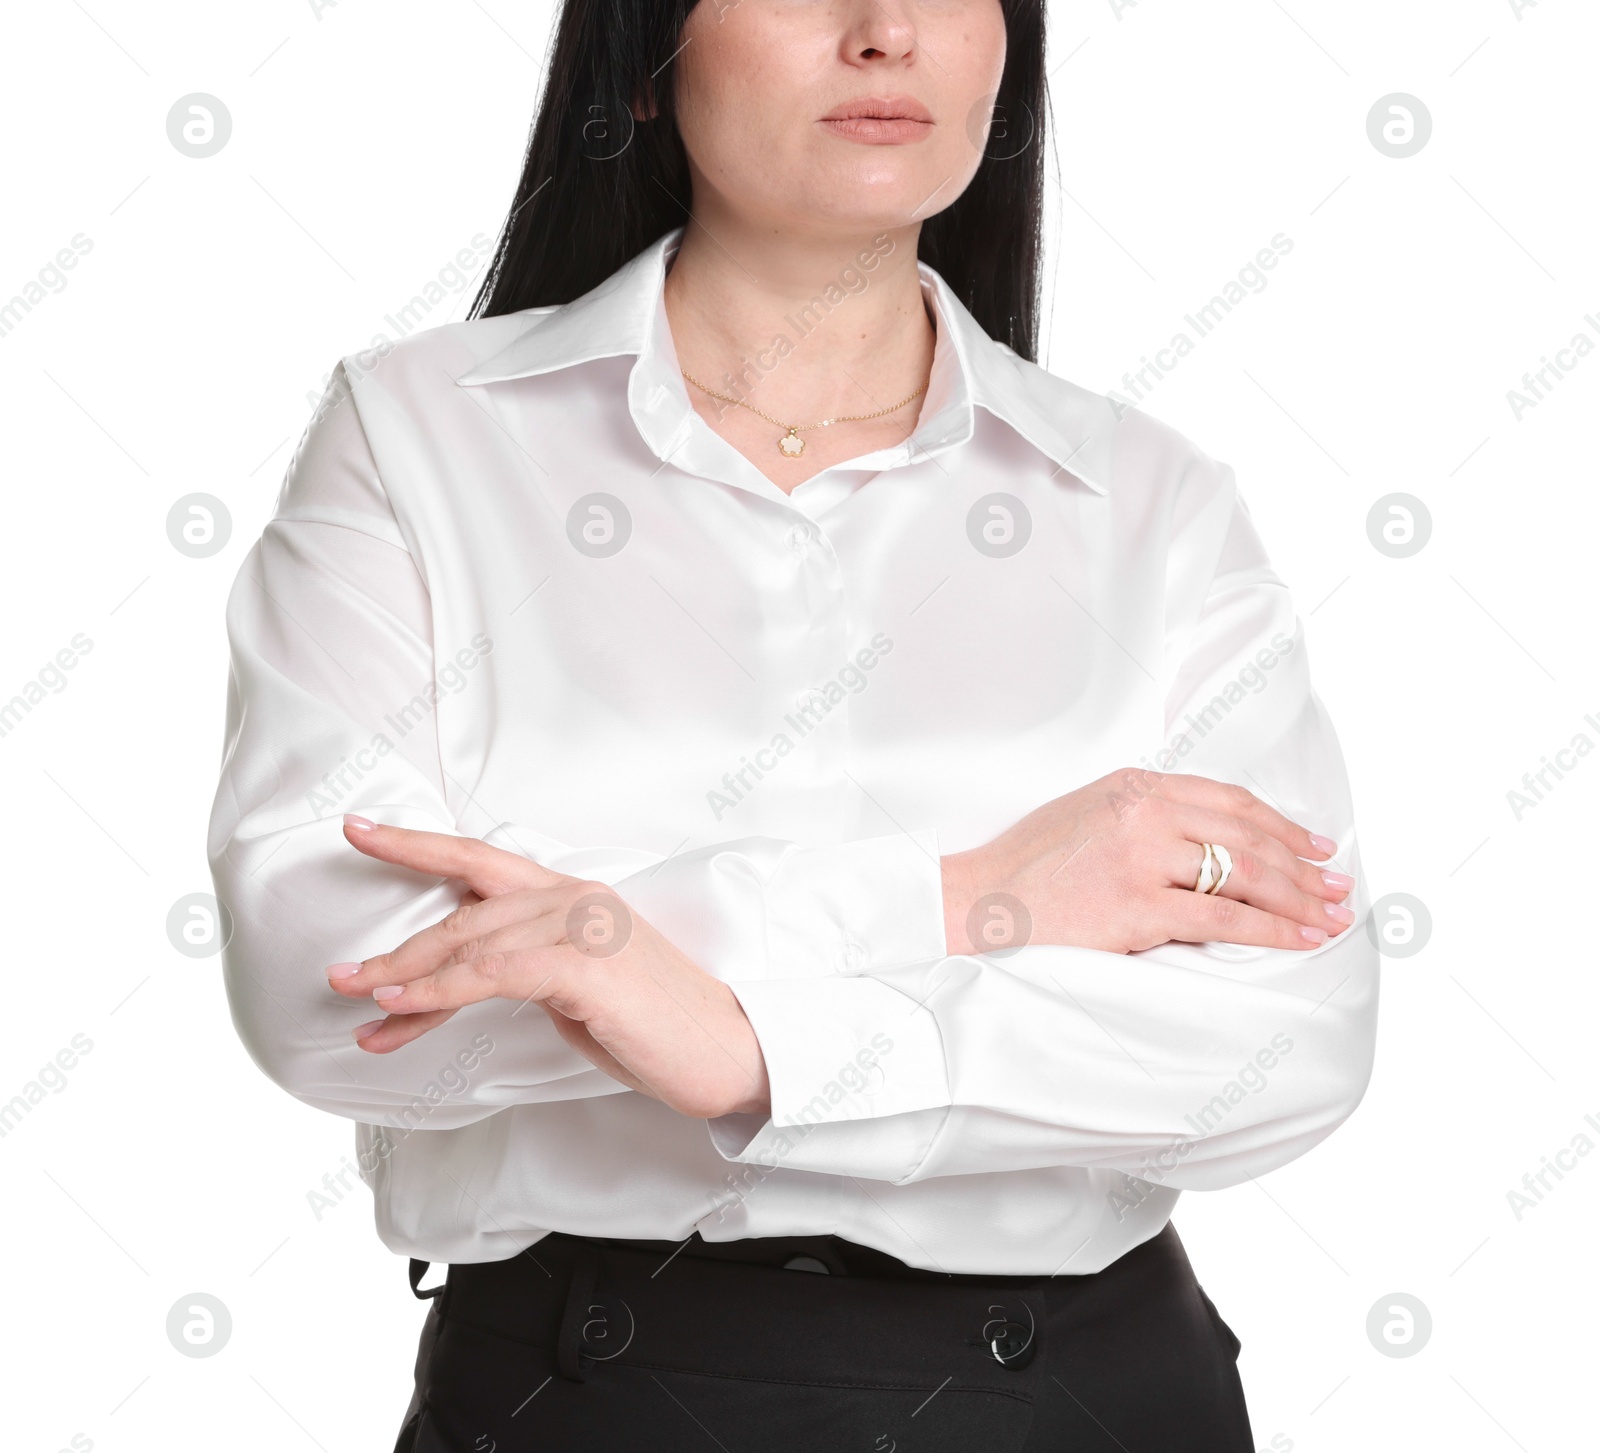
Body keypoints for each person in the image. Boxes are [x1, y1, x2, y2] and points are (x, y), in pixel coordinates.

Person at [206, 1, 1379, 1448]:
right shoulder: (421, 438)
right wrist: (975, 900)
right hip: (596, 1390)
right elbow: (335, 988)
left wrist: (728, 1029)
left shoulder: (1153, 505)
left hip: (1083, 1395)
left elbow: (1290, 1036)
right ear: (643, 57)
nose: (886, 30)